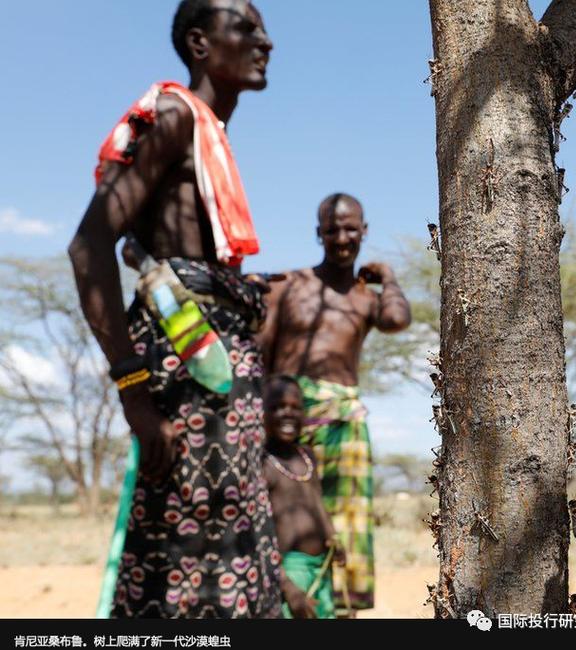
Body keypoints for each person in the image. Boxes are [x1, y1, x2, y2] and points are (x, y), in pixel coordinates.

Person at [68, 0, 282, 618]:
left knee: (229, 534)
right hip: (184, 370)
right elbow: (89, 248)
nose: (265, 40)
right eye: (244, 26)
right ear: (198, 43)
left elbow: (150, 247)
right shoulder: (172, 115)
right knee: (187, 543)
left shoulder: (210, 134)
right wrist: (134, 390)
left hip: (217, 365)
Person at [258, 193, 412, 615]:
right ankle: (283, 601)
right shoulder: (289, 285)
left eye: (350, 229)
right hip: (289, 416)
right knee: (282, 512)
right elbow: (262, 354)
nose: (341, 238)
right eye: (332, 229)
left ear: (364, 232)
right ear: (318, 233)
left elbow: (398, 320)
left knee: (346, 525)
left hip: (345, 418)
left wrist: (389, 276)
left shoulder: (367, 296)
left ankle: (340, 610)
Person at [262, 375, 346, 619]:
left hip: (322, 566)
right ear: (261, 412)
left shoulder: (307, 456)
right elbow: (261, 534)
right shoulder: (261, 462)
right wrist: (287, 587)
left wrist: (331, 535)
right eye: (277, 407)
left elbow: (316, 501)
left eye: (295, 407)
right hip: (289, 571)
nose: (287, 413)